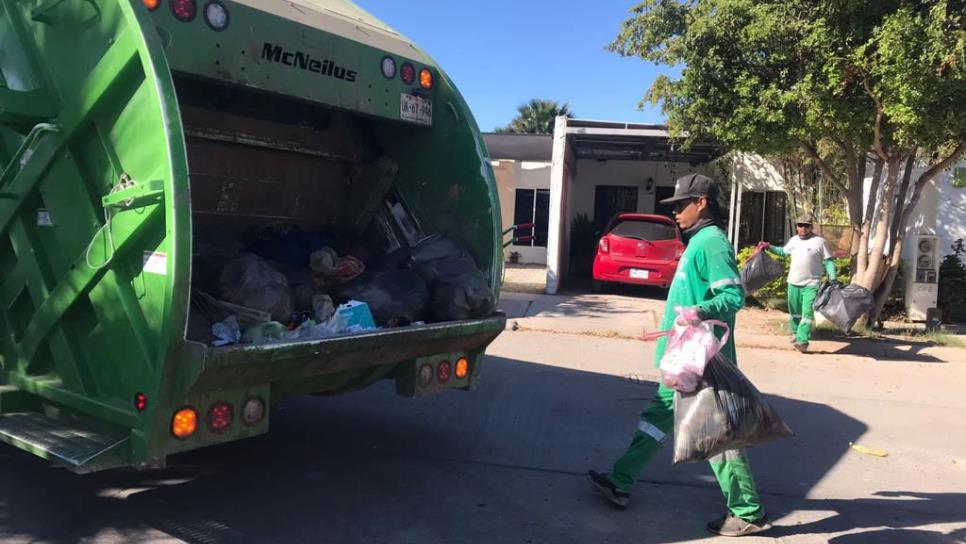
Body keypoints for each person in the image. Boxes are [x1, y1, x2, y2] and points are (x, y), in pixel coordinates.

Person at [587, 173, 771, 537]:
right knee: (657, 417)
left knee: (717, 433)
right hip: (683, 356)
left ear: (701, 202)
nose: (676, 213)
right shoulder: (698, 241)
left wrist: (699, 312)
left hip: (701, 359)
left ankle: (748, 510)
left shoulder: (712, 243)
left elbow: (734, 297)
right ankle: (620, 481)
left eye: (681, 205)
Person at [758, 214, 836, 353]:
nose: (803, 228)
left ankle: (802, 340)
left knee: (807, 313)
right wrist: (769, 247)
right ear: (796, 227)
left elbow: (829, 260)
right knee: (794, 312)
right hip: (793, 282)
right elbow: (783, 252)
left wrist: (833, 277)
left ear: (811, 227)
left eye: (806, 225)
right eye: (800, 225)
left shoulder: (819, 242)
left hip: (811, 284)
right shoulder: (794, 241)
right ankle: (795, 334)